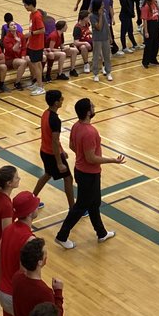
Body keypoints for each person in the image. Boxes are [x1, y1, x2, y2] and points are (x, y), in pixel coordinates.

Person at [55, 99, 125, 249]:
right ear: (88, 112)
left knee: (94, 203)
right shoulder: (90, 132)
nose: (94, 107)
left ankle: (101, 233)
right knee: (81, 206)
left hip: (82, 171)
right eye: (92, 106)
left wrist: (82, 155)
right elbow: (91, 158)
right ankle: (62, 236)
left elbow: (72, 145)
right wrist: (113, 160)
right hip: (88, 175)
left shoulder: (76, 126)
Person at [13, 239, 65, 316]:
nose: (47, 255)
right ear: (40, 262)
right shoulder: (44, 292)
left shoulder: (17, 278)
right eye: (45, 253)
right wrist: (58, 292)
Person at [23, 0, 47, 96]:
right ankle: (38, 83)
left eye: (26, 5)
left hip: (37, 44)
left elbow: (42, 30)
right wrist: (29, 40)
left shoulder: (37, 16)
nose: (25, 7)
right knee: (37, 64)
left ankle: (41, 87)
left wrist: (31, 34)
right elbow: (31, 28)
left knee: (36, 65)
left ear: (31, 5)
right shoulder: (31, 15)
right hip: (32, 43)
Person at [140, 0, 159, 68]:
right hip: (150, 25)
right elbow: (145, 20)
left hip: (156, 24)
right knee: (149, 45)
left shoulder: (154, 4)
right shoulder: (146, 6)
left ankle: (153, 59)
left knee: (156, 43)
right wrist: (146, 31)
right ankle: (145, 62)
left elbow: (157, 14)